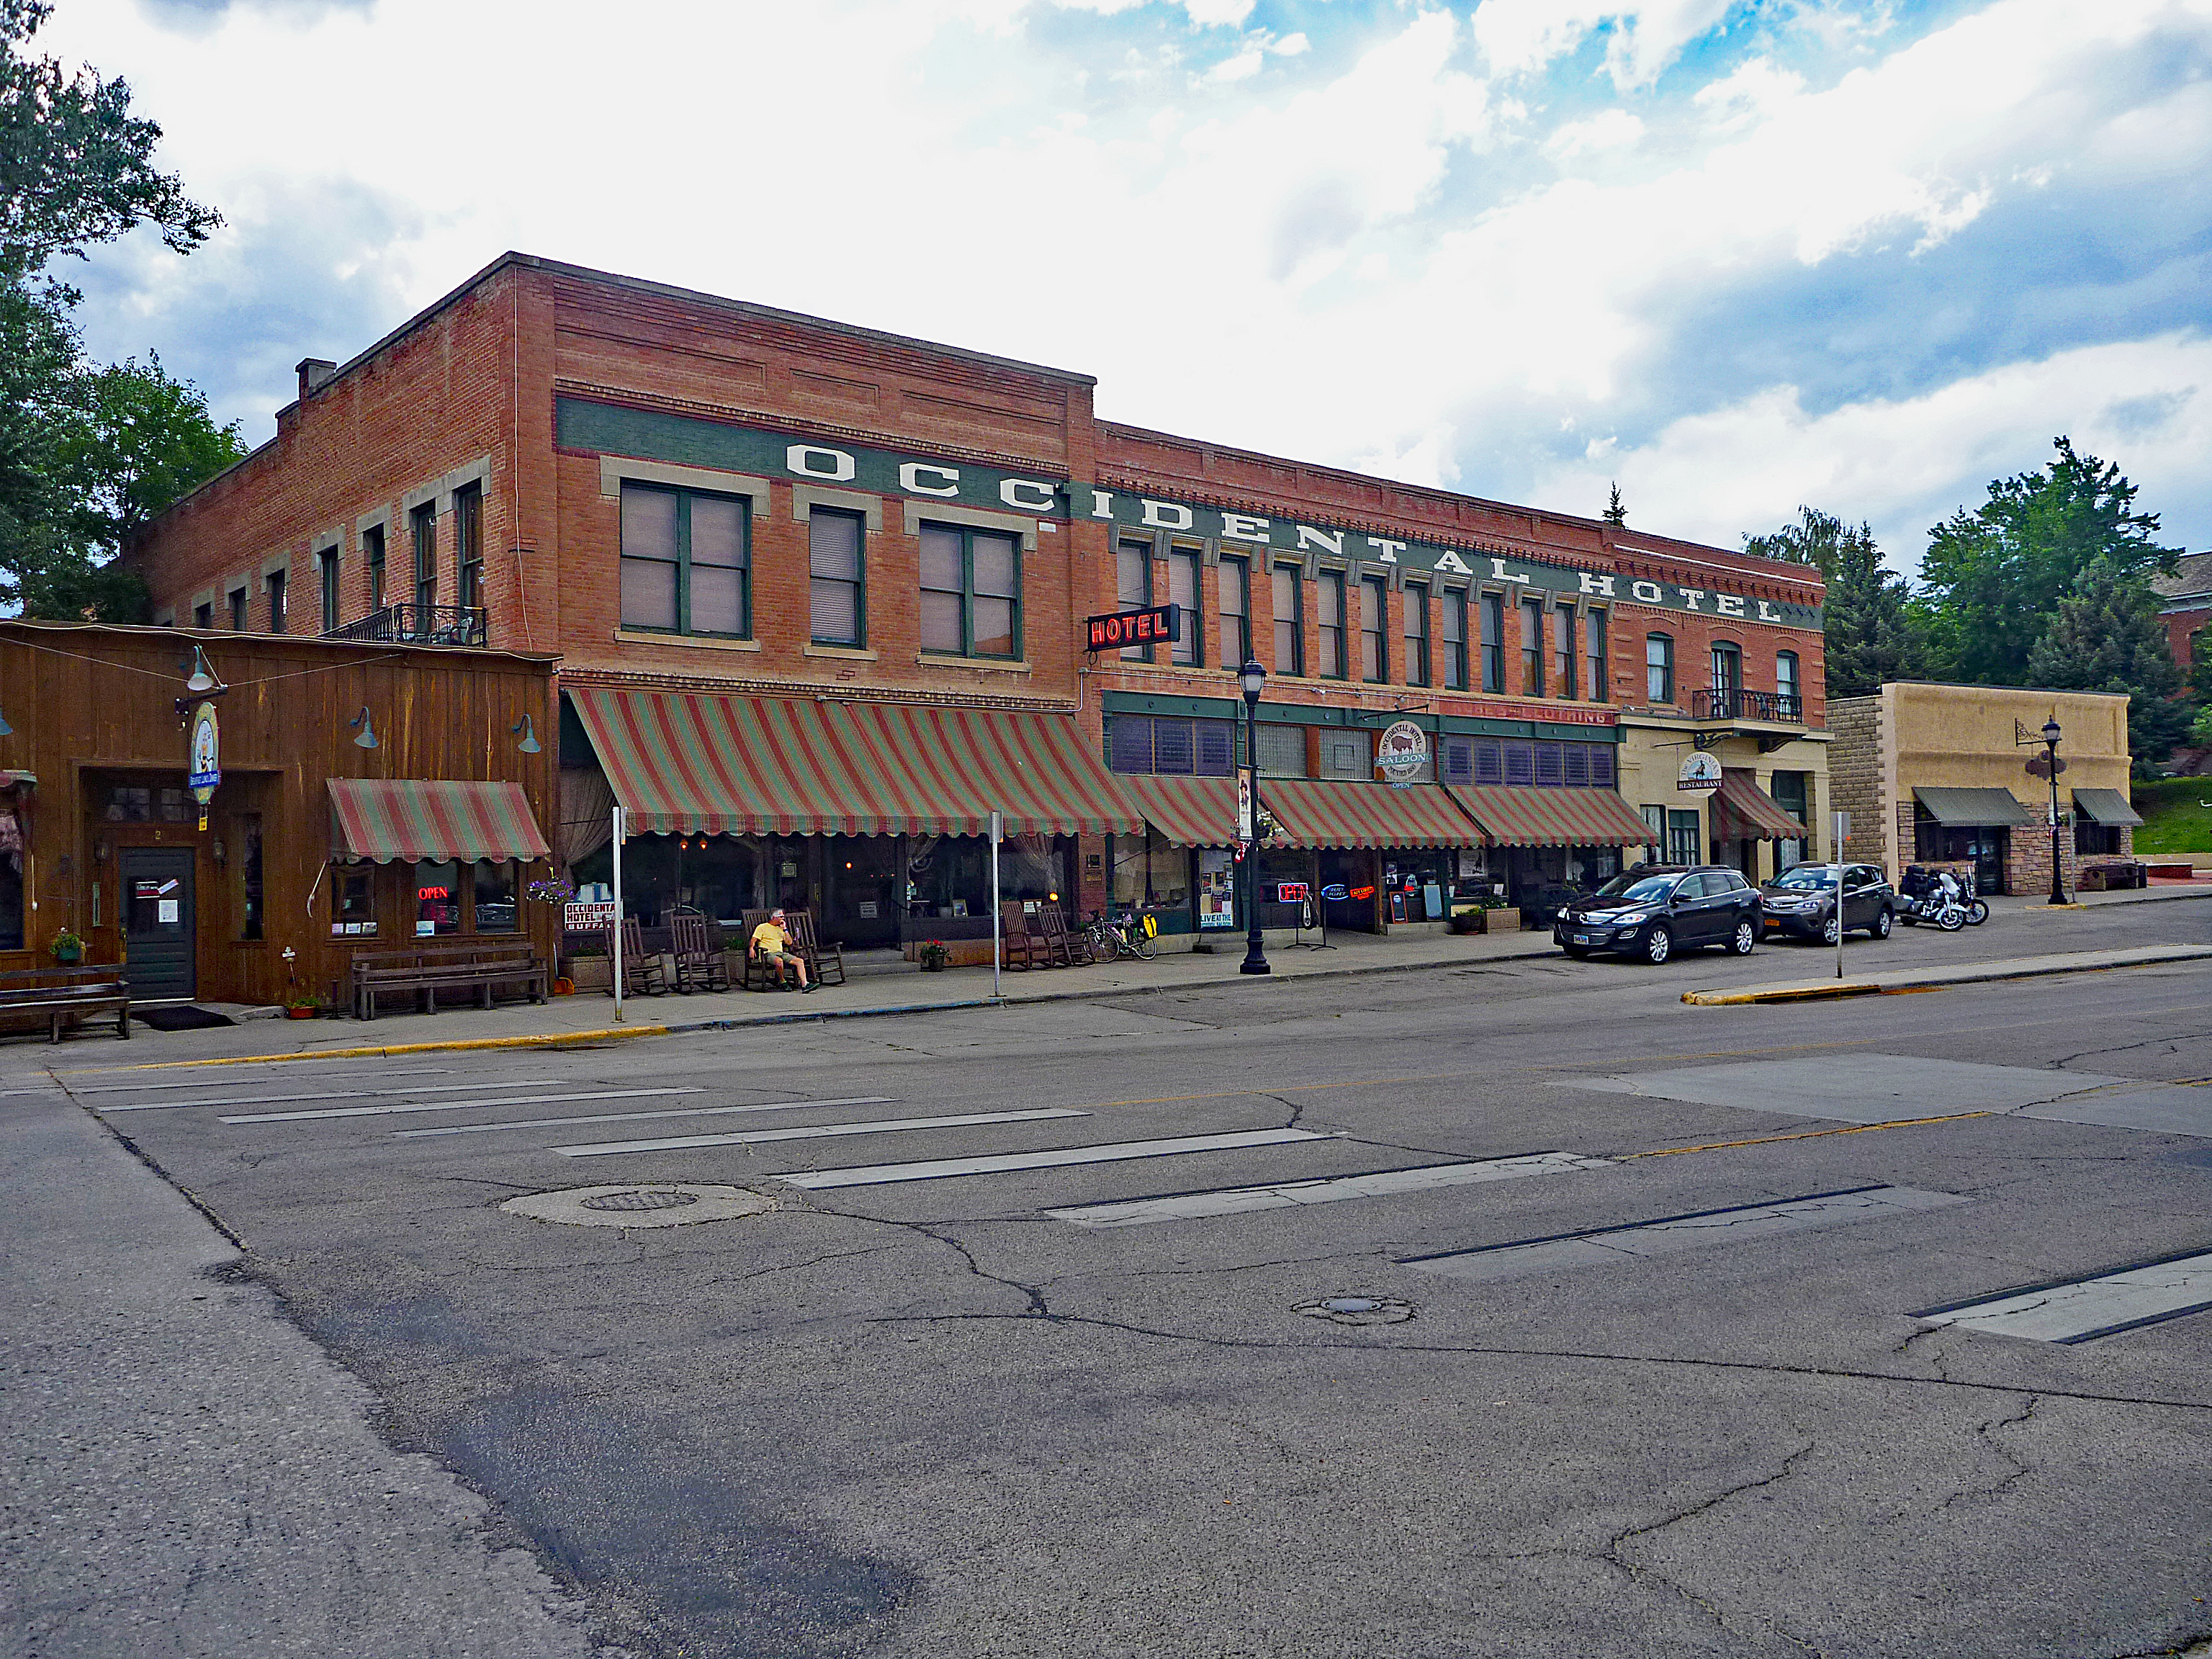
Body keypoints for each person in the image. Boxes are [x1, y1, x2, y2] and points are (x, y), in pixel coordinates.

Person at [750, 908, 813, 992]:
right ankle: (783, 982)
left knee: (800, 961)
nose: (783, 919)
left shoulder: (781, 929)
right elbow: (753, 939)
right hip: (768, 953)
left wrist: (785, 929)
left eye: (783, 917)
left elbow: (789, 942)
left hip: (780, 953)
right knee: (779, 961)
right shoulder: (762, 927)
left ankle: (805, 984)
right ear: (773, 918)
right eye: (781, 917)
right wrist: (751, 948)